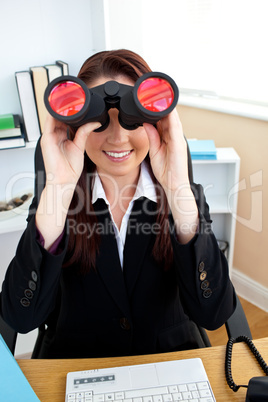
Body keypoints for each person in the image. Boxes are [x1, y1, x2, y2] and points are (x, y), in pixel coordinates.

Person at [0, 49, 235, 358]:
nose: (118, 138)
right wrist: (58, 190)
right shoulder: (58, 195)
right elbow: (21, 317)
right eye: (98, 123)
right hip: (78, 363)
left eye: (132, 119)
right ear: (75, 125)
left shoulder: (180, 190)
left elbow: (213, 314)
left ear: (155, 121)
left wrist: (177, 187)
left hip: (168, 358)